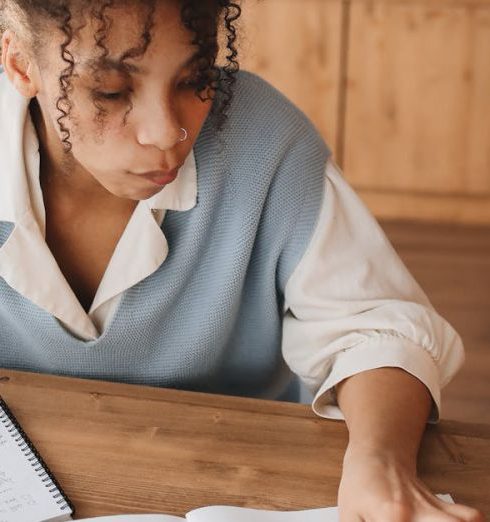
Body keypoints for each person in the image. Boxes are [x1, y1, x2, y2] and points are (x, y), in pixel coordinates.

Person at [0, 1, 484, 521]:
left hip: (251, 469)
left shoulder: (263, 138)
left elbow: (376, 328)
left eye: (194, 80)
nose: (166, 133)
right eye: (111, 92)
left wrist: (380, 460)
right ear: (22, 65)